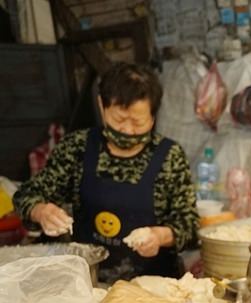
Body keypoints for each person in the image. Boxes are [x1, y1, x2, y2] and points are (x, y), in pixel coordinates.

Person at [14, 62, 198, 282]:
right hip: (88, 282)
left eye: (138, 122)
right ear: (102, 106)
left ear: (153, 115)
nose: (128, 130)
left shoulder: (170, 156)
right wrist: (41, 211)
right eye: (119, 120)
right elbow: (26, 195)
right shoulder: (77, 148)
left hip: (154, 286)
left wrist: (160, 236)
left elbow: (189, 226)